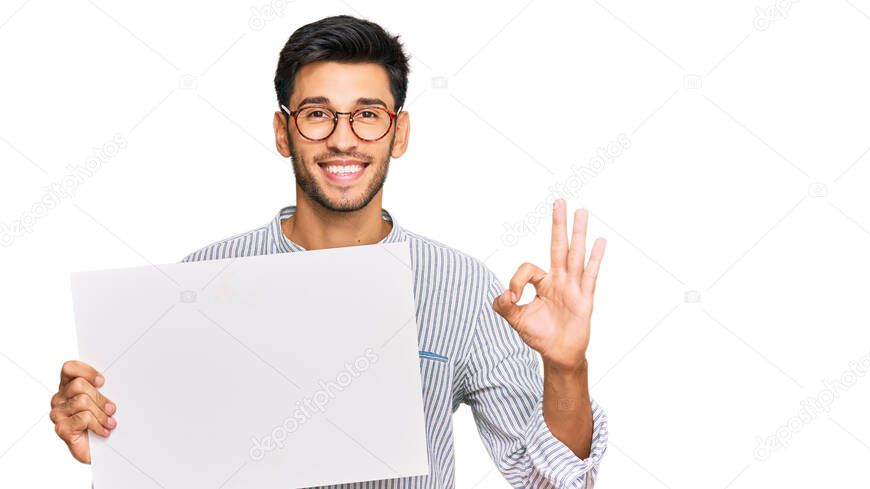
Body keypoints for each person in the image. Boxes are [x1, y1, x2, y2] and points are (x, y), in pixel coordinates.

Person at [49, 14, 608, 489]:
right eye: (317, 114)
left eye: (368, 114)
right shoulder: (200, 281)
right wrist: (104, 438)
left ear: (400, 132)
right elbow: (167, 467)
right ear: (283, 132)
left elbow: (551, 480)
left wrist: (566, 368)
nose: (343, 139)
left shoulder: (460, 286)